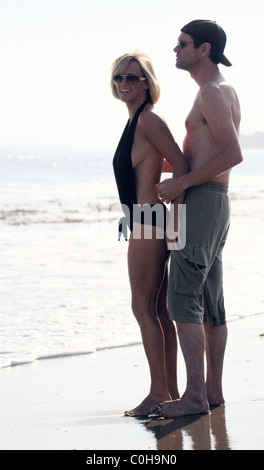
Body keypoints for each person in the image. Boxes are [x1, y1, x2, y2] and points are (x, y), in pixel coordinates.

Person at [151, 20, 243, 418]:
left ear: (203, 49)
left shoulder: (211, 93)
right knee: (210, 301)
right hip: (213, 201)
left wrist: (181, 182)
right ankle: (212, 391)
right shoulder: (219, 91)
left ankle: (193, 397)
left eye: (182, 44)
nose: (175, 50)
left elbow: (233, 154)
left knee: (182, 298)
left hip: (204, 201)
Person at [111, 51, 188, 417]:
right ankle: (168, 391)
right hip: (146, 219)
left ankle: (158, 393)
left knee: (141, 307)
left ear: (147, 83)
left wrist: (174, 209)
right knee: (157, 309)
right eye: (119, 78)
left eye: (132, 77)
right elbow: (165, 160)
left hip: (147, 221)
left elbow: (182, 165)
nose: (124, 83)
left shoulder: (149, 120)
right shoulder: (136, 122)